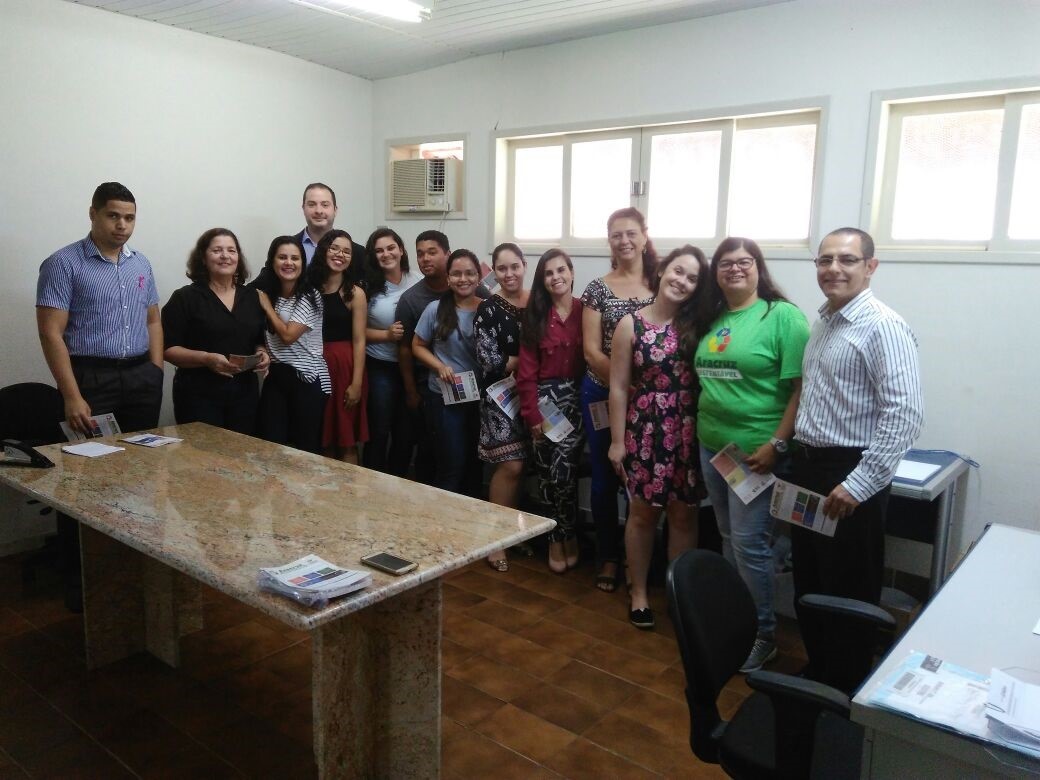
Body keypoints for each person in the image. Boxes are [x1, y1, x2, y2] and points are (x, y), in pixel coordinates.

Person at [791, 227, 923, 692]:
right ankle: (819, 671)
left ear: (871, 266)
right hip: (810, 468)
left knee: (847, 586)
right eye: (825, 260)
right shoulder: (825, 322)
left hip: (849, 475)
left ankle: (845, 689)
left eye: (847, 260)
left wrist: (859, 484)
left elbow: (904, 415)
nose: (834, 268)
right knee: (811, 577)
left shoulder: (883, 326)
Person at [695, 237, 810, 670]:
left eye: (744, 261)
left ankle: (762, 634)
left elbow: (801, 390)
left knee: (749, 543)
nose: (735, 269)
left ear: (759, 267)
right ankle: (736, 619)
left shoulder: (783, 317)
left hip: (757, 454)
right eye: (725, 263)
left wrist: (777, 444)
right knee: (730, 537)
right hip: (713, 447)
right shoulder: (713, 318)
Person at [609, 246, 710, 630]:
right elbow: (618, 387)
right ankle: (638, 593)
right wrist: (617, 442)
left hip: (689, 430)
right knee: (642, 513)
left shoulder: (700, 324)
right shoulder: (630, 324)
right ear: (664, 269)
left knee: (684, 514)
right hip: (646, 429)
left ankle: (679, 594)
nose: (682, 281)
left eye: (692, 278)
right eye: (678, 271)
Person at [36, 182, 164, 437]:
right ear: (93, 214)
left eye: (129, 218)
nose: (122, 225)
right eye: (113, 216)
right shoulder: (63, 263)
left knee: (145, 454)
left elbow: (152, 320)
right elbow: (50, 333)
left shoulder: (141, 263)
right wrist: (71, 396)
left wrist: (156, 371)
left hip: (141, 377)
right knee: (91, 456)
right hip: (91, 379)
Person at [581, 207, 657, 592]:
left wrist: (643, 390)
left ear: (644, 236)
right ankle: (608, 554)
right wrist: (625, 384)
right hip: (601, 392)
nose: (624, 241)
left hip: (653, 402)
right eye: (616, 235)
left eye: (631, 233)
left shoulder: (662, 284)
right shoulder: (597, 289)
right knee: (603, 477)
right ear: (608, 241)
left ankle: (636, 557)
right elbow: (591, 351)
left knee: (642, 479)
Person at [396, 231, 488, 483]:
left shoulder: (488, 308)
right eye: (456, 274)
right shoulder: (434, 309)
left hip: (480, 397)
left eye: (469, 273)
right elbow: (416, 346)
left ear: (478, 277)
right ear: (448, 278)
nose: (463, 279)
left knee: (475, 462)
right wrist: (439, 366)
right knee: (451, 462)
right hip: (445, 396)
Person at [161, 228, 270, 434]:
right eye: (217, 250)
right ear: (203, 258)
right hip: (197, 394)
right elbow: (167, 349)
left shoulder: (253, 297)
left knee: (242, 450)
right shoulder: (185, 298)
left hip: (244, 394)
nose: (225, 256)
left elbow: (258, 339)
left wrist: (262, 353)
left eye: (231, 250)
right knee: (202, 452)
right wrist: (206, 358)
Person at [517, 249, 585, 573]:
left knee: (563, 474)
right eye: (549, 273)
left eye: (561, 270)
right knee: (546, 475)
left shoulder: (587, 311)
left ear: (571, 273)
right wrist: (532, 415)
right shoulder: (536, 316)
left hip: (578, 402)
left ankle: (566, 532)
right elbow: (526, 372)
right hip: (544, 402)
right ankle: (557, 538)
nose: (556, 277)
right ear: (542, 280)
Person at [474, 243, 530, 572]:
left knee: (526, 467)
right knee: (511, 466)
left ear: (524, 266)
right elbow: (489, 360)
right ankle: (496, 540)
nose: (509, 274)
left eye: (515, 266)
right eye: (502, 268)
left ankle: (514, 532)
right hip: (501, 398)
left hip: (535, 395)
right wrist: (529, 361)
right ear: (494, 272)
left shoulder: (538, 302)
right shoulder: (488, 308)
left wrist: (522, 363)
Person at [255, 236, 331, 454]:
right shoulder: (269, 293)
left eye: (295, 258)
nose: (288, 263)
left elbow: (288, 336)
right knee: (271, 445)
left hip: (307, 377)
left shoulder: (310, 296)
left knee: (306, 448)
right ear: (272, 262)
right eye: (282, 257)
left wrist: (267, 308)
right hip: (277, 375)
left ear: (302, 263)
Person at [362, 228, 420, 475]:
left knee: (406, 432)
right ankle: (371, 482)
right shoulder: (367, 288)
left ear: (401, 250)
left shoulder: (417, 279)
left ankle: (398, 482)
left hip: (414, 368)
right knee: (379, 429)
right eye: (379, 251)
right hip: (381, 366)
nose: (386, 254)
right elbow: (354, 331)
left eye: (390, 248)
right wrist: (385, 335)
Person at [308, 229, 368, 463]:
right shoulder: (309, 287)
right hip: (314, 366)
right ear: (323, 250)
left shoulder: (355, 293)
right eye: (334, 248)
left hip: (344, 369)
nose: (340, 255)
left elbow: (359, 340)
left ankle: (352, 487)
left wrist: (356, 383)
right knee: (323, 439)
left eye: (346, 251)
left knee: (346, 440)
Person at [296, 182, 366, 269]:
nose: (318, 211)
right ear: (303, 209)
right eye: (312, 205)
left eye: (325, 205)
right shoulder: (286, 249)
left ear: (335, 210)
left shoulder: (358, 252)